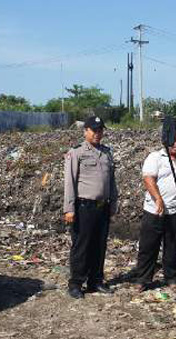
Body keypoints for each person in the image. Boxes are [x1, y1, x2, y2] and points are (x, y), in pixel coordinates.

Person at [129, 128, 176, 292]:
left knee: (174, 246)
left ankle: (171, 276)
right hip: (154, 211)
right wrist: (158, 198)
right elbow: (148, 179)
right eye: (175, 140)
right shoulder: (155, 157)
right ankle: (143, 279)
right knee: (148, 246)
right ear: (166, 140)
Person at [63, 116, 118, 299]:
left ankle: (96, 280)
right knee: (82, 246)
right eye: (94, 130)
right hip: (83, 206)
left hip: (102, 207)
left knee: (99, 245)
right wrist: (69, 208)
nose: (97, 133)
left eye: (100, 130)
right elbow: (69, 182)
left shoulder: (106, 153)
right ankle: (76, 283)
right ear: (85, 131)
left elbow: (111, 181)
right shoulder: (77, 152)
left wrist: (113, 204)